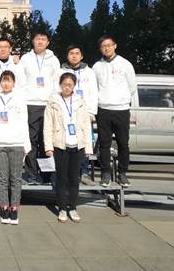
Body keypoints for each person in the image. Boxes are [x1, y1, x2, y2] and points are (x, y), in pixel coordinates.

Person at [44, 73, 94, 223]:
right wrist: (48, 146)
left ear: (74, 86)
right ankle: (62, 208)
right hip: (60, 145)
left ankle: (72, 207)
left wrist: (88, 146)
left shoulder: (80, 101)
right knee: (61, 179)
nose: (67, 87)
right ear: (60, 85)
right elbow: (48, 125)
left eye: (70, 85)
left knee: (74, 179)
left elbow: (86, 125)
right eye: (64, 84)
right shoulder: (53, 102)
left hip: (77, 145)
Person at [93, 35, 136, 188]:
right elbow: (94, 87)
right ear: (100, 49)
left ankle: (122, 173)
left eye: (109, 45)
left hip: (121, 109)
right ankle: (105, 173)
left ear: (115, 46)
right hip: (103, 109)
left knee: (123, 143)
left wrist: (122, 99)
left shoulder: (125, 64)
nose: (106, 48)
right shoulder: (96, 66)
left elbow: (132, 87)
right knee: (104, 144)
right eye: (103, 46)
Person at [0, 70, 30, 225]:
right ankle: (4, 207)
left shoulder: (20, 98)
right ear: (0, 82)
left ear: (14, 83)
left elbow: (24, 121)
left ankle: (14, 208)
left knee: (16, 178)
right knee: (2, 179)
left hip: (17, 143)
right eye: (3, 80)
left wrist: (26, 144)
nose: (6, 83)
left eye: (9, 80)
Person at [20, 31, 61, 185]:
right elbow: (20, 81)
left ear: (48, 42)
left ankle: (46, 175)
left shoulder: (54, 60)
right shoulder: (25, 58)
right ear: (33, 41)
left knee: (47, 141)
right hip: (30, 104)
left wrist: (54, 101)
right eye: (38, 39)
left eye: (43, 39)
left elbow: (57, 82)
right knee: (31, 140)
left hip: (48, 104)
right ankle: (31, 174)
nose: (40, 42)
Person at [60, 44, 98, 186]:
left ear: (81, 56)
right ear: (67, 56)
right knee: (67, 144)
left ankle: (84, 173)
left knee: (84, 144)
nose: (74, 56)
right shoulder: (61, 71)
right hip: (67, 113)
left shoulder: (90, 72)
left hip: (84, 114)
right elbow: (57, 90)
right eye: (71, 53)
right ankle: (69, 174)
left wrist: (91, 112)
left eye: (77, 53)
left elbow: (94, 93)